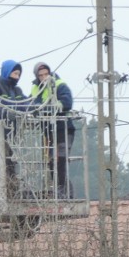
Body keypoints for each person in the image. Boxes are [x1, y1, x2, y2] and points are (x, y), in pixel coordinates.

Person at [0, 60, 31, 199]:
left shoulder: (17, 91)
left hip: (12, 135)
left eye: (19, 74)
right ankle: (5, 195)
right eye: (14, 73)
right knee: (4, 165)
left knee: (10, 165)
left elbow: (25, 105)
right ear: (7, 72)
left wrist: (36, 105)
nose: (17, 76)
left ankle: (10, 194)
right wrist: (7, 113)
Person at [30, 61, 76, 198]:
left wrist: (50, 108)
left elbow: (67, 102)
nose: (44, 77)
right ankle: (60, 189)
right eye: (41, 75)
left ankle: (63, 191)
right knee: (51, 161)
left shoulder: (59, 84)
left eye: (46, 74)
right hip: (49, 130)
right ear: (37, 76)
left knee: (60, 159)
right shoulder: (35, 88)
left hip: (63, 128)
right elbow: (31, 105)